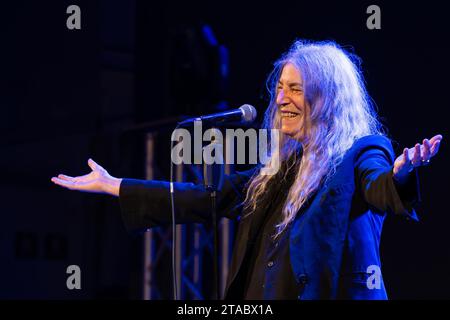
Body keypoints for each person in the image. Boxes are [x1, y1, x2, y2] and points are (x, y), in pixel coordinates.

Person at [51, 40, 442, 299]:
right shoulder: (280, 170)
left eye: (295, 89)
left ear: (327, 98)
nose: (281, 98)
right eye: (280, 88)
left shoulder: (361, 152)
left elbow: (379, 185)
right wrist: (116, 185)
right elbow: (208, 199)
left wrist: (401, 174)